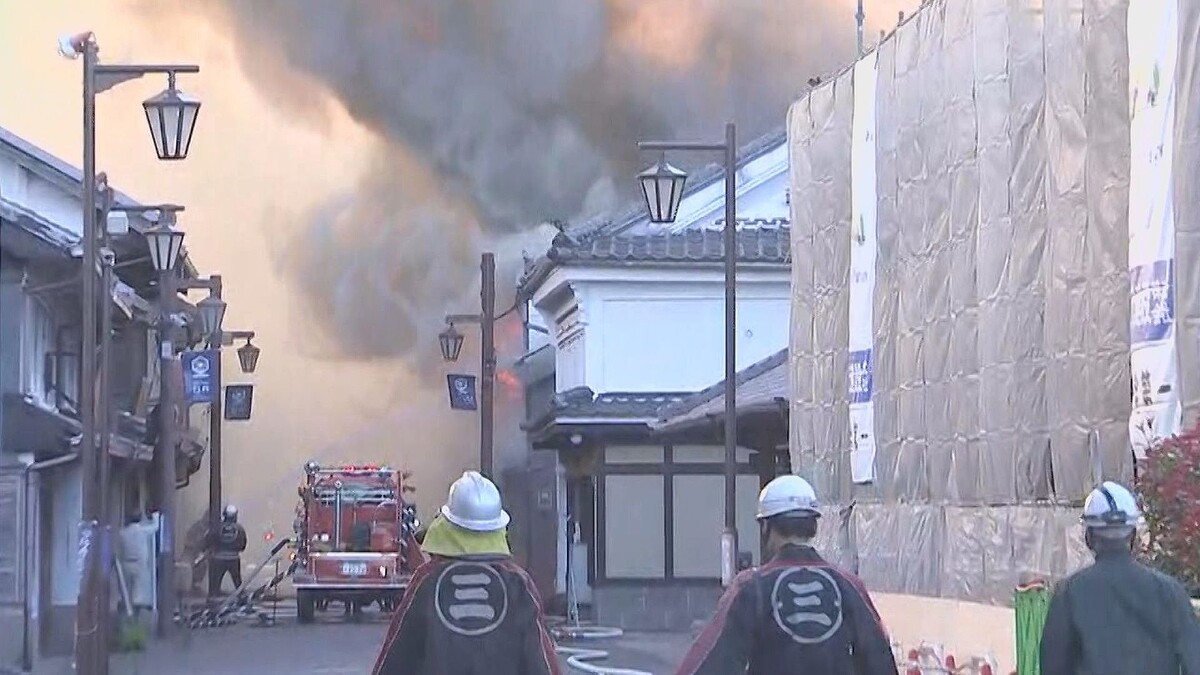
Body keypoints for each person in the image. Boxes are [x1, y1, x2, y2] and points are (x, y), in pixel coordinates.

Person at [674, 475, 897, 675]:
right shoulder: (849, 585)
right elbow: (879, 659)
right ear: (814, 526)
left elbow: (710, 659)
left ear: (765, 527)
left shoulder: (752, 588)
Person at [371, 471, 561, 675]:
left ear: (447, 525)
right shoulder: (518, 582)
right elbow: (541, 660)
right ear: (499, 529)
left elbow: (396, 655)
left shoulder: (427, 580)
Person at [1040, 480, 1200, 674]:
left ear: (1088, 536)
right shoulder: (1170, 593)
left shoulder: (1068, 594)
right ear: (1133, 535)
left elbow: (1052, 667)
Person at [209, 504, 248, 595]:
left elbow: (210, 540)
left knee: (215, 583)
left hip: (218, 559)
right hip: (233, 559)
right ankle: (242, 599)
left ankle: (213, 599)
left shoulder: (217, 527)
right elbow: (243, 545)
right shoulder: (239, 529)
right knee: (237, 582)